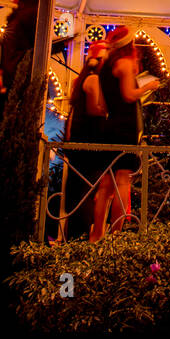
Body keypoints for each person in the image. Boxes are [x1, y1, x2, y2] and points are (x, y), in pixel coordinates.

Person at [90, 27, 159, 241]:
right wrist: (149, 86)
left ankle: (97, 233)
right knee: (122, 181)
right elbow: (129, 95)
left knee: (105, 185)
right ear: (130, 45)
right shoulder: (126, 64)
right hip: (126, 127)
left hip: (109, 126)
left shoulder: (104, 68)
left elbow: (101, 105)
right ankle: (115, 235)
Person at [62, 39, 109, 239]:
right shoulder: (93, 79)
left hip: (81, 145)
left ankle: (75, 238)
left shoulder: (84, 79)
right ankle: (78, 241)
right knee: (85, 194)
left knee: (83, 194)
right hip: (88, 146)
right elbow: (95, 108)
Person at [0, 0, 41, 130]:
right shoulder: (32, 14)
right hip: (23, 70)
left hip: (11, 72)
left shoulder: (16, 16)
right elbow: (36, 44)